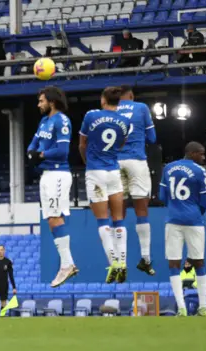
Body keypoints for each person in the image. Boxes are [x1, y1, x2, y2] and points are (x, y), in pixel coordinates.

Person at [79, 87, 132, 284]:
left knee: (103, 221)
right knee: (119, 220)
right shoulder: (125, 121)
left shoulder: (91, 116)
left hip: (95, 171)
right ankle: (124, 263)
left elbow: (82, 144)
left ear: (103, 100)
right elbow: (121, 144)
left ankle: (114, 262)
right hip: (113, 171)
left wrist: (87, 162)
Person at [27, 86, 78, 287]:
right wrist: (31, 152)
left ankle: (67, 264)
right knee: (51, 219)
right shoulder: (44, 121)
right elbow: (34, 143)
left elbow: (62, 150)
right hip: (46, 175)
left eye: (41, 101)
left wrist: (40, 155)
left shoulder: (62, 121)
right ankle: (67, 264)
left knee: (55, 216)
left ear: (52, 101)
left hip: (58, 174)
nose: (39, 104)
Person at [159, 141, 206, 317]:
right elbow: (204, 201)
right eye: (201, 154)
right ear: (192, 153)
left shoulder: (168, 168)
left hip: (173, 221)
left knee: (173, 263)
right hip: (194, 221)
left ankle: (181, 308)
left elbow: (162, 196)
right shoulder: (200, 171)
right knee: (199, 262)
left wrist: (175, 208)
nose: (203, 157)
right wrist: (195, 212)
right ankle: (203, 308)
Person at [117, 85, 157, 276]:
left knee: (118, 212)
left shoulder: (111, 110)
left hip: (115, 163)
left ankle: (119, 260)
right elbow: (153, 137)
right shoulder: (141, 108)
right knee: (142, 211)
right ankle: (146, 258)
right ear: (131, 95)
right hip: (136, 160)